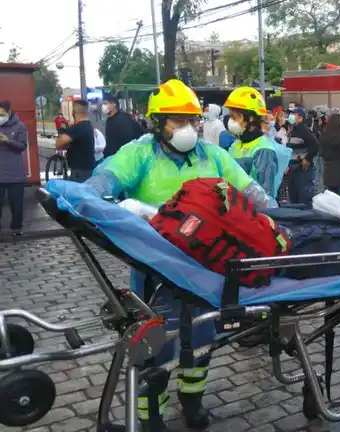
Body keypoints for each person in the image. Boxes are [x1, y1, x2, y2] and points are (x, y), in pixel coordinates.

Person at [85, 80, 276, 432]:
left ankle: (192, 401)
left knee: (202, 338)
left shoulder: (212, 155)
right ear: (158, 122)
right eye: (176, 120)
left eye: (191, 120)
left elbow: (250, 191)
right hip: (154, 268)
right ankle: (150, 415)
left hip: (206, 267)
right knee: (155, 345)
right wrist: (88, 199)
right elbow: (105, 180)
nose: (187, 128)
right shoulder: (139, 153)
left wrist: (276, 216)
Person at [224, 86, 291, 200]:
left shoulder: (263, 149)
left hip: (252, 213)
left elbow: (264, 196)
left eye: (235, 116)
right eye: (231, 116)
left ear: (251, 118)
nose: (231, 121)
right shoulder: (237, 144)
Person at [0, 100, 28, 236]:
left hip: (15, 173)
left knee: (16, 203)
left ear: (8, 113)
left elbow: (22, 146)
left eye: (1, 114)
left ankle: (17, 227)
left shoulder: (19, 126)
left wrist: (8, 141)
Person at [285, 106, 319, 205]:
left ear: (300, 118)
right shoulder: (294, 130)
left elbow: (315, 145)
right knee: (293, 196)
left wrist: (307, 159)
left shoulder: (303, 130)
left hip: (302, 169)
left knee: (303, 198)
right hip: (293, 168)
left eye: (294, 114)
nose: (290, 116)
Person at [56, 100, 96, 182]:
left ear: (74, 112)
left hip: (79, 170)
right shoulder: (87, 125)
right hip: (87, 168)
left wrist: (62, 133)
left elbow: (58, 143)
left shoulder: (78, 128)